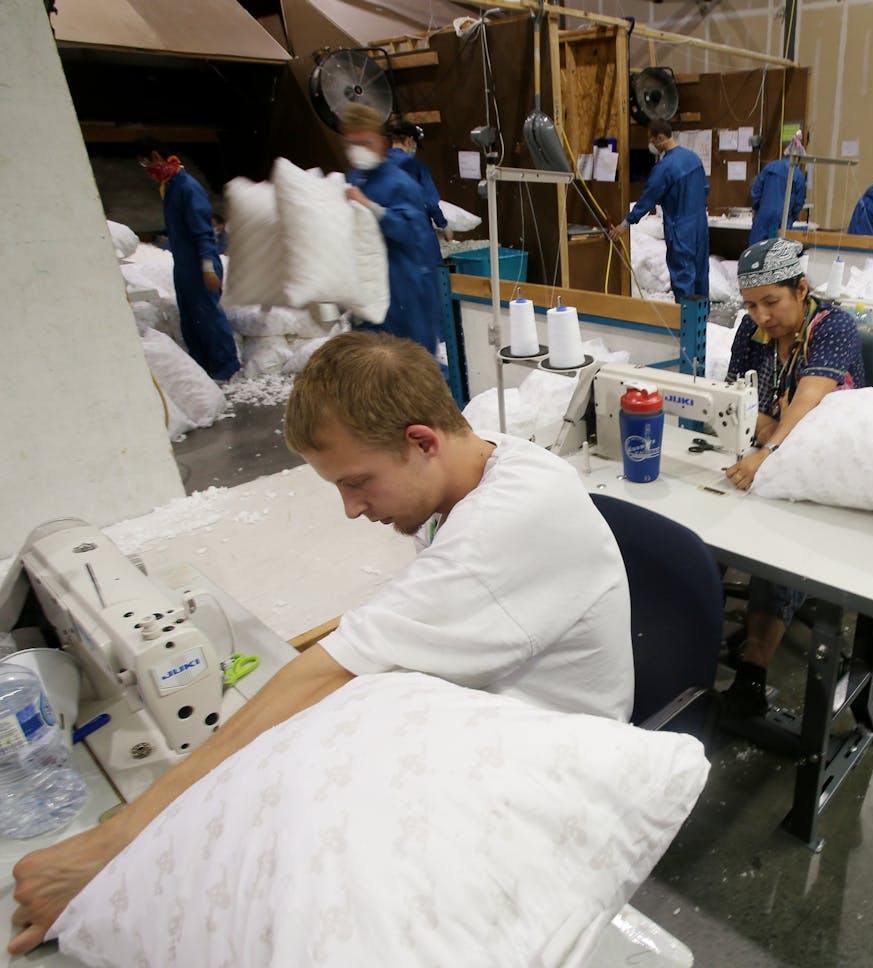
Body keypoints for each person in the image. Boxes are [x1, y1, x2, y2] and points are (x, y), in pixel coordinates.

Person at [6, 331, 634, 956]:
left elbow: (329, 674)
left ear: (421, 441)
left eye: (358, 482)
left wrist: (114, 844)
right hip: (472, 713)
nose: (351, 510)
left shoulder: (507, 524)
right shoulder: (483, 467)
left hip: (544, 766)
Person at [720, 238, 865, 717]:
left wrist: (766, 448)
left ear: (801, 289)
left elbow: (806, 405)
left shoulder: (834, 327)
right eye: (751, 305)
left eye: (771, 302)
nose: (761, 316)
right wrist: (764, 430)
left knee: (774, 551)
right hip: (770, 453)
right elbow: (742, 401)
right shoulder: (751, 331)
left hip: (831, 465)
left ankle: (754, 671)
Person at [341, 104, 446, 365]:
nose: (358, 149)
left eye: (364, 141)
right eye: (351, 143)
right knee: (371, 364)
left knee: (412, 363)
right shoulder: (353, 179)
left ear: (381, 142)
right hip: (368, 289)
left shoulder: (401, 183)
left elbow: (411, 230)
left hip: (404, 287)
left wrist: (370, 207)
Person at [133, 138, 240, 380]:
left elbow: (203, 232)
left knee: (208, 316)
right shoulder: (170, 186)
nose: (146, 168)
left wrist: (208, 268)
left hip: (200, 265)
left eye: (144, 162)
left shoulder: (186, 187)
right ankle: (202, 366)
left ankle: (227, 367)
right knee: (191, 318)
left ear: (155, 156)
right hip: (183, 265)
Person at [611, 119, 710, 302]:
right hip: (700, 224)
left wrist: (625, 224)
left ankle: (684, 322)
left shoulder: (664, 168)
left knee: (683, 276)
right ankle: (700, 323)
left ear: (660, 137)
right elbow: (705, 188)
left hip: (680, 228)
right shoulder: (693, 158)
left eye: (652, 140)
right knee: (701, 273)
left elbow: (647, 200)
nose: (652, 144)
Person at [386, 117, 452, 252]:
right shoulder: (416, 167)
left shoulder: (378, 165)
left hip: (386, 234)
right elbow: (430, 202)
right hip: (415, 233)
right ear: (410, 140)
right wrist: (444, 226)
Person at [748, 156, 807, 245]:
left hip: (764, 215)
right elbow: (799, 202)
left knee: (756, 251)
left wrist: (756, 209)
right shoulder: (797, 174)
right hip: (783, 218)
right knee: (779, 252)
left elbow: (756, 191)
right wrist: (793, 216)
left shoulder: (769, 167)